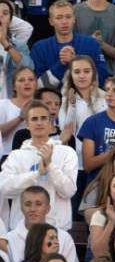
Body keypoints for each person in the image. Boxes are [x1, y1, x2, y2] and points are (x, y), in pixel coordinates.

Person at [0, 100, 78, 233]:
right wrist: (36, 174)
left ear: (50, 124)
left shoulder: (67, 152)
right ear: (27, 125)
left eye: (43, 118)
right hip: (22, 230)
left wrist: (50, 166)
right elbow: (4, 188)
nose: (39, 122)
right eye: (34, 119)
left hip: (57, 230)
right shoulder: (16, 156)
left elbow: (69, 190)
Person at [30, 2, 108, 89]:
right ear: (51, 21)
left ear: (74, 19)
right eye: (59, 18)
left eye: (68, 17)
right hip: (53, 101)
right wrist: (62, 64)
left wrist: (76, 63)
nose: (64, 22)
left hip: (87, 99)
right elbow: (39, 86)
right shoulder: (39, 48)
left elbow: (102, 77)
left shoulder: (91, 43)